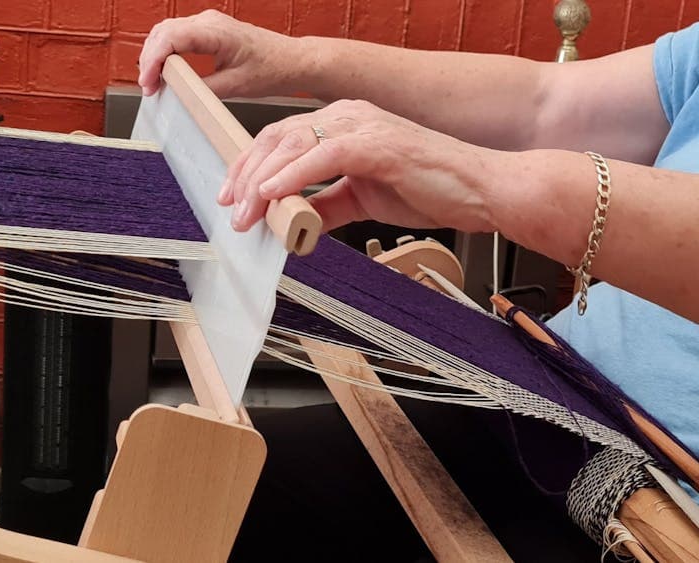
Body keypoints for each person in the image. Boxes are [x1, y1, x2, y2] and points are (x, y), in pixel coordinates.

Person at [138, 9, 699, 562]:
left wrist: (483, 182)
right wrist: (297, 58)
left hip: (649, 518)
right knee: (185, 489)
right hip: (547, 412)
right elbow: (547, 103)